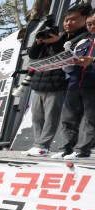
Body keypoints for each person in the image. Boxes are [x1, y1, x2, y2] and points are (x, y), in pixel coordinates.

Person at [52, 5, 95, 160]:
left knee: (91, 120)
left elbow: (90, 60)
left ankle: (84, 151)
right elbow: (70, 66)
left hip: (92, 86)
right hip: (75, 84)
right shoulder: (83, 42)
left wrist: (92, 60)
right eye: (89, 24)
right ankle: (66, 149)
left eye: (94, 23)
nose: (91, 27)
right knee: (69, 118)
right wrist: (67, 64)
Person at [23, 19, 69, 157]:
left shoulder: (64, 40)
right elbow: (32, 56)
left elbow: (63, 57)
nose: (68, 23)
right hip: (39, 83)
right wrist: (37, 43)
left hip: (56, 84)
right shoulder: (43, 44)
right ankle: (37, 144)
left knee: (51, 117)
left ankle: (43, 146)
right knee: (37, 117)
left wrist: (56, 42)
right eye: (66, 20)